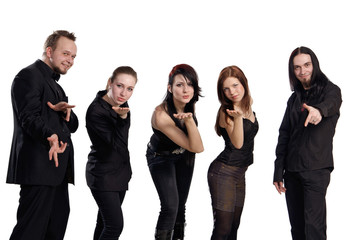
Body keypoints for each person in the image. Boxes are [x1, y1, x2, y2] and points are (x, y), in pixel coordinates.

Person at [6, 30, 78, 240]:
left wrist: (65, 111)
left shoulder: (55, 85)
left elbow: (73, 125)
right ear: (49, 51)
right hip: (39, 169)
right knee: (30, 232)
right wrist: (51, 135)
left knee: (55, 229)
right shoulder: (28, 75)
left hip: (57, 172)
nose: (70, 60)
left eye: (73, 56)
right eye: (66, 54)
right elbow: (27, 116)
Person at [273, 46, 342, 240]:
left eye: (307, 65)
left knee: (314, 230)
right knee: (297, 230)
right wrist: (279, 169)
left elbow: (331, 104)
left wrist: (318, 111)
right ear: (292, 71)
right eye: (297, 68)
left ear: (315, 65)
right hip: (292, 171)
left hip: (316, 170)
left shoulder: (331, 91)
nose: (303, 71)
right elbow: (284, 133)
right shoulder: (294, 99)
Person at [146, 64, 204, 240]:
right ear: (170, 88)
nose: (186, 90)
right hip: (161, 157)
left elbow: (193, 147)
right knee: (170, 206)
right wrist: (190, 122)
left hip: (184, 156)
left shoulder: (188, 105)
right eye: (179, 85)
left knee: (181, 206)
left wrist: (189, 120)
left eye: (190, 84)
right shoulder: (160, 115)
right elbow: (197, 147)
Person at [85, 66, 138, 239]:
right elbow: (117, 146)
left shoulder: (121, 104)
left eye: (130, 89)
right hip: (102, 175)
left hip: (119, 174)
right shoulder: (96, 111)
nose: (124, 93)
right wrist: (123, 120)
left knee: (104, 223)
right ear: (110, 83)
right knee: (115, 226)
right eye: (120, 86)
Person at [207, 66, 259, 240]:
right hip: (223, 173)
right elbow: (238, 144)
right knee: (222, 229)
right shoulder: (226, 112)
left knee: (234, 227)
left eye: (235, 85)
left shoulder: (248, 104)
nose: (232, 92)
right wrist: (237, 119)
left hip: (239, 173)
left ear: (244, 83)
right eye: (226, 89)